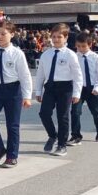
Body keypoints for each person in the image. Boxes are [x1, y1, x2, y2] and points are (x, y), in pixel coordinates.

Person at [0, 20, 33, 168]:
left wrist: (27, 96)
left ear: (12, 34)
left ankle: (12, 156)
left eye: (3, 34)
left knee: (12, 125)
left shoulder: (17, 54)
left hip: (13, 91)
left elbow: (25, 76)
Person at [33, 23, 83, 158]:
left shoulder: (70, 55)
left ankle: (62, 145)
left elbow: (78, 75)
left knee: (63, 117)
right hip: (50, 87)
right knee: (44, 113)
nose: (55, 40)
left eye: (59, 37)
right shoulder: (46, 54)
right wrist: (38, 91)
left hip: (65, 88)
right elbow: (40, 74)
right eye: (53, 37)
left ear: (66, 38)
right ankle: (52, 135)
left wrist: (77, 93)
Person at [70, 32, 98, 145]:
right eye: (78, 46)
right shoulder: (74, 57)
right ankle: (76, 135)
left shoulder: (96, 58)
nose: (81, 49)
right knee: (75, 112)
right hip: (78, 89)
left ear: (90, 44)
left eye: (83, 46)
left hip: (92, 89)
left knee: (96, 111)